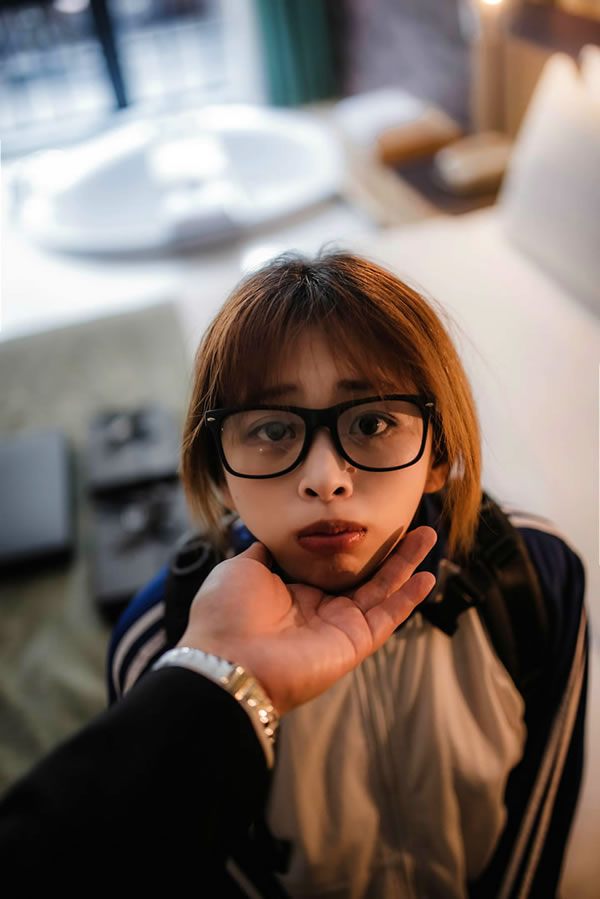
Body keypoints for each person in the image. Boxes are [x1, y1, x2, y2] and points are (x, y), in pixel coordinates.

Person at [108, 252, 587, 898]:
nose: (325, 478)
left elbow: (537, 827)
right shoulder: (166, 650)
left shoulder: (536, 575)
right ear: (219, 473)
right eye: (272, 430)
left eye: (371, 423)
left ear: (439, 453)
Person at [0, 528, 436, 889]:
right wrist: (218, 668)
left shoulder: (484, 579)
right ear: (219, 475)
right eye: (274, 446)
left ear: (437, 465)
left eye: (371, 441)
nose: (324, 481)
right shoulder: (157, 646)